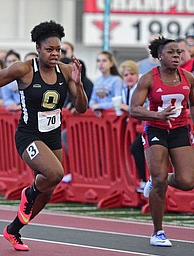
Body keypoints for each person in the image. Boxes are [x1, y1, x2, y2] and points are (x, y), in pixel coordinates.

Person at [0, 20, 87, 251]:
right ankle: (29, 193)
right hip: (28, 136)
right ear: (38, 48)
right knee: (55, 173)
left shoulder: (66, 71)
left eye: (58, 49)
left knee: (48, 190)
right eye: (49, 49)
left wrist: (78, 84)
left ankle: (13, 230)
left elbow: (81, 108)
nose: (55, 54)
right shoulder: (24, 69)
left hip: (52, 136)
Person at [130, 36, 194, 247]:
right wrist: (157, 115)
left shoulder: (188, 77)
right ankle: (158, 232)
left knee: (187, 182)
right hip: (156, 130)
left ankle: (161, 177)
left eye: (178, 52)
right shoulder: (148, 78)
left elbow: (192, 104)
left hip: (179, 130)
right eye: (171, 52)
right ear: (159, 56)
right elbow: (134, 109)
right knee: (159, 182)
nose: (176, 56)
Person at [118, 60, 147, 192]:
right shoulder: (124, 88)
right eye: (126, 75)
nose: (129, 77)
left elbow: (146, 105)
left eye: (132, 73)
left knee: (137, 148)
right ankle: (144, 181)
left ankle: (146, 181)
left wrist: (129, 108)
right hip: (136, 126)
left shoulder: (142, 86)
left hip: (148, 124)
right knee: (136, 149)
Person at [88, 51, 122, 115]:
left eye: (104, 61)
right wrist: (94, 107)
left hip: (113, 117)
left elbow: (117, 102)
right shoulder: (97, 81)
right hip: (100, 118)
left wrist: (99, 106)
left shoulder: (117, 80)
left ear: (111, 63)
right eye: (98, 61)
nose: (101, 63)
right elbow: (92, 100)